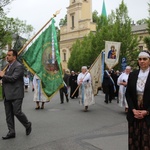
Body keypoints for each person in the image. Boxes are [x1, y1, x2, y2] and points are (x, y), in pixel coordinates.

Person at [0, 49, 32, 140]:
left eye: (9, 55)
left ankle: (27, 124)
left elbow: (13, 78)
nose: (7, 56)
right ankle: (11, 132)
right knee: (8, 114)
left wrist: (3, 76)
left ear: (14, 57)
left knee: (17, 112)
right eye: (7, 55)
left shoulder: (19, 66)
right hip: (7, 93)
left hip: (16, 93)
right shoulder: (7, 66)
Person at [125, 51, 150, 149]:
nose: (142, 61)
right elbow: (128, 94)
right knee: (134, 142)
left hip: (147, 115)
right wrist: (133, 110)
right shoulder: (133, 75)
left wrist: (147, 111)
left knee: (146, 143)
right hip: (134, 114)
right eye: (140, 59)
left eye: (145, 59)